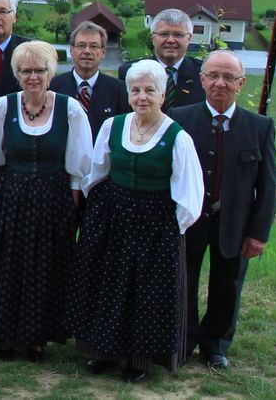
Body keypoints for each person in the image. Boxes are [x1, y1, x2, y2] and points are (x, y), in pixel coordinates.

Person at [68, 59, 203, 383]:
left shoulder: (177, 137)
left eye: (149, 90)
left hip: (156, 222)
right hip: (114, 217)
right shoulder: (113, 126)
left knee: (144, 292)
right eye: (136, 90)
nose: (142, 97)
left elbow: (189, 193)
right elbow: (95, 173)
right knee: (108, 284)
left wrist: (172, 230)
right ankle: (103, 351)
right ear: (128, 93)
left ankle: (138, 359)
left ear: (163, 93)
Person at [0, 41, 93, 362]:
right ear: (17, 74)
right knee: (8, 265)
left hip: (53, 199)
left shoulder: (70, 109)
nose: (33, 77)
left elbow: (80, 165)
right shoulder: (3, 107)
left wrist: (71, 207)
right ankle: (6, 334)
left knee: (46, 266)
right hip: (10, 195)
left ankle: (38, 337)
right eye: (26, 71)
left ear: (51, 73)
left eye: (40, 70)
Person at [169, 50, 276, 371]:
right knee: (183, 281)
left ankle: (215, 344)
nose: (220, 83)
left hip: (235, 224)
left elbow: (268, 186)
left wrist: (258, 234)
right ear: (202, 80)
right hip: (189, 222)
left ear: (241, 83)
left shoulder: (259, 127)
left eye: (229, 78)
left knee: (227, 285)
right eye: (213, 75)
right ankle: (184, 340)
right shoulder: (179, 118)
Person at [117, 8, 206, 112]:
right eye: (164, 34)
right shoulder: (130, 71)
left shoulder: (203, 72)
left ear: (189, 38)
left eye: (178, 35)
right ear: (152, 38)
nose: (171, 40)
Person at [51, 22, 129, 134]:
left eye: (93, 46)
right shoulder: (53, 86)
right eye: (81, 45)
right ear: (71, 50)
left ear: (103, 52)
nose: (87, 51)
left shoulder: (119, 90)